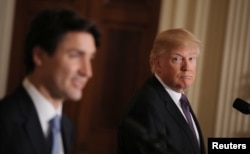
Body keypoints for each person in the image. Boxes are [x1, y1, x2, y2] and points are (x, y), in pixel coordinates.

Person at [0, 8, 101, 154]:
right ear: (39, 56)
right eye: (75, 55)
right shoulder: (5, 121)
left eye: (90, 58)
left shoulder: (66, 127)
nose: (87, 72)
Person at [118, 28, 206, 154]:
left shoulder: (179, 99)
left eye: (191, 58)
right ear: (158, 64)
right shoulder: (148, 105)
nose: (186, 67)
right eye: (177, 59)